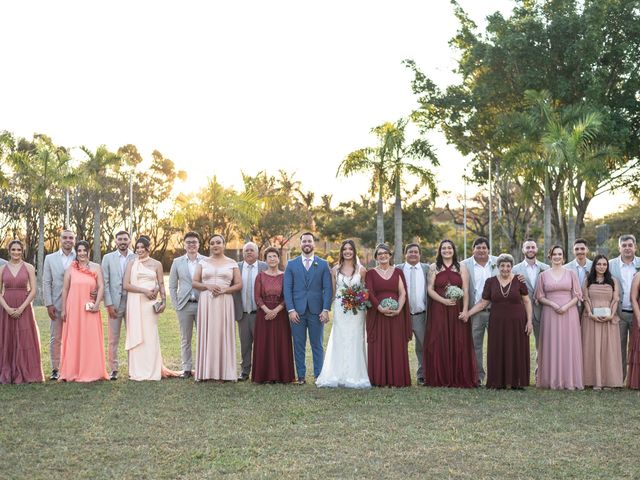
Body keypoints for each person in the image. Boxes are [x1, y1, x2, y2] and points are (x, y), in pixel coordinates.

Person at [461, 254, 532, 389]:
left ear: (512, 267)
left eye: (508, 266)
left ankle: (516, 382)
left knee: (516, 348)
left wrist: (529, 321)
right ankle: (498, 381)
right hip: (497, 322)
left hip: (517, 321)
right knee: (497, 349)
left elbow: (527, 301)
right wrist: (468, 314)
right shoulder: (491, 282)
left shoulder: (519, 280)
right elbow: (483, 303)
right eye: (502, 266)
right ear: (498, 267)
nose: (505, 269)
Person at [317, 239, 370, 388]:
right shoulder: (334, 270)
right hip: (341, 310)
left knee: (355, 339)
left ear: (354, 251)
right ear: (341, 252)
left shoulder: (362, 270)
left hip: (357, 311)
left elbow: (365, 292)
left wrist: (358, 300)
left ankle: (355, 374)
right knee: (340, 338)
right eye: (345, 249)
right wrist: (326, 309)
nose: (347, 251)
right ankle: (338, 374)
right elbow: (333, 293)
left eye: (350, 249)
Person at [423, 239, 477, 388]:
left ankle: (457, 376)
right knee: (439, 339)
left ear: (454, 250)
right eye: (444, 248)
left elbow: (466, 290)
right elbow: (430, 289)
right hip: (439, 309)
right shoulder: (434, 267)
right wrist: (443, 301)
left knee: (458, 339)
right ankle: (439, 376)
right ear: (440, 251)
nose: (447, 250)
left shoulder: (461, 267)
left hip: (456, 309)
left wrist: (465, 310)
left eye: (449, 248)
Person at [123, 236, 176, 381]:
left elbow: (161, 283)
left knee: (150, 336)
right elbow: (126, 285)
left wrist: (163, 300)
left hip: (150, 305)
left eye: (142, 247)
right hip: (136, 303)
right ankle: (138, 370)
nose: (139, 250)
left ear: (148, 248)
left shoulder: (157, 264)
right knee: (137, 334)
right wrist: (144, 291)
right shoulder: (131, 264)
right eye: (137, 247)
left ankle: (152, 370)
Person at [283, 232, 332, 384]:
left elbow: (328, 288)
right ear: (300, 244)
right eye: (304, 241)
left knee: (317, 344)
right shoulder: (291, 264)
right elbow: (287, 289)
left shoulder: (323, 264)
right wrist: (290, 310)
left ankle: (319, 376)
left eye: (309, 241)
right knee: (298, 344)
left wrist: (325, 309)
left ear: (313, 244)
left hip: (316, 311)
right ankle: (301, 376)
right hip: (297, 311)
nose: (307, 244)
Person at [192, 234, 242, 381]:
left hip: (225, 301)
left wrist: (224, 290)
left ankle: (225, 372)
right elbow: (195, 282)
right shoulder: (202, 262)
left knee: (223, 332)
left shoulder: (232, 262)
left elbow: (239, 284)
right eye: (212, 243)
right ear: (209, 246)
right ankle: (205, 372)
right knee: (207, 332)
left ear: (224, 244)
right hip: (206, 301)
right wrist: (207, 285)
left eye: (218, 242)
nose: (215, 245)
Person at [59, 240, 108, 382]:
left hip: (90, 308)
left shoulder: (96, 267)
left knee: (90, 337)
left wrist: (97, 304)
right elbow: (65, 289)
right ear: (76, 252)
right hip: (73, 307)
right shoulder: (71, 268)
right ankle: (73, 370)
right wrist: (63, 309)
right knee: (74, 337)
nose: (81, 253)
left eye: (84, 250)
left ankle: (93, 370)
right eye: (79, 251)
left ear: (88, 252)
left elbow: (101, 287)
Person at [535, 245, 583, 390]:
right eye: (554, 254)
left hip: (569, 313)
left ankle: (569, 379)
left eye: (560, 254)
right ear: (550, 257)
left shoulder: (571, 273)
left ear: (564, 257)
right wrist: (553, 305)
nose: (557, 257)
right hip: (550, 313)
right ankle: (552, 379)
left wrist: (566, 306)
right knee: (551, 343)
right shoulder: (543, 275)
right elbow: (539, 296)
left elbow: (577, 295)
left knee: (568, 344)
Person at [0, 240, 43, 384]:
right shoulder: (2, 269)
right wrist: (7, 308)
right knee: (7, 337)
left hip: (24, 308)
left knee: (25, 338)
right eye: (13, 250)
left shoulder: (29, 267)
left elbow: (33, 291)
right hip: (6, 308)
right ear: (9, 250)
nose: (16, 252)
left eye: (19, 250)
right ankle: (7, 371)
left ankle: (26, 370)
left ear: (22, 251)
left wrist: (22, 307)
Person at [251, 247, 295, 384]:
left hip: (280, 314)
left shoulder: (285, 276)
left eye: (274, 256)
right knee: (264, 343)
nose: (272, 259)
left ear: (278, 258)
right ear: (265, 260)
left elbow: (288, 296)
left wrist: (276, 310)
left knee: (281, 343)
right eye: (269, 257)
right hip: (263, 315)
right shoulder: (260, 276)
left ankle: (282, 375)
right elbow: (257, 297)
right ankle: (264, 375)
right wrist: (267, 310)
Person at [581, 255, 623, 389]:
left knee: (607, 349)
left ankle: (607, 380)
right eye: (599, 264)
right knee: (591, 348)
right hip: (591, 318)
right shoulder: (588, 280)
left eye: (604, 264)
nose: (602, 267)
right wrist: (590, 313)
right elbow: (585, 299)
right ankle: (592, 380)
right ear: (594, 265)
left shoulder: (613, 281)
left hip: (608, 319)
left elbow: (615, 299)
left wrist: (611, 314)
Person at [461, 237, 498, 385]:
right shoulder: (464, 265)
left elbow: (510, 274)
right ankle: (478, 376)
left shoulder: (497, 262)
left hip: (496, 311)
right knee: (475, 345)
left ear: (488, 249)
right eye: (478, 247)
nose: (481, 250)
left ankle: (495, 376)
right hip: (475, 312)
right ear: (473, 249)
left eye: (484, 247)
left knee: (496, 345)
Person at [169, 231, 206, 379]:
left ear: (198, 244)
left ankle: (202, 367)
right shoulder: (177, 262)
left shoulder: (205, 261)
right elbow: (172, 286)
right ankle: (186, 368)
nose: (191, 245)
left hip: (202, 304)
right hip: (184, 305)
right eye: (188, 242)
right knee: (185, 338)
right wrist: (176, 304)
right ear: (184, 245)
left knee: (202, 337)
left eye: (194, 242)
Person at [43, 229, 76, 380]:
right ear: (60, 239)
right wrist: (48, 304)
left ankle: (74, 367)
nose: (68, 240)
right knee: (55, 338)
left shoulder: (80, 256)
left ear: (74, 240)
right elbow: (46, 282)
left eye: (71, 238)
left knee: (76, 336)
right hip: (56, 304)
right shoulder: (50, 258)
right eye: (65, 237)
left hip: (77, 303)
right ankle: (56, 369)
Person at [101, 230, 135, 380]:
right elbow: (105, 282)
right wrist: (108, 303)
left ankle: (133, 368)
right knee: (113, 338)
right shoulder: (108, 258)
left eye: (125, 239)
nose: (122, 241)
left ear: (129, 241)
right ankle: (114, 369)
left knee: (132, 336)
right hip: (114, 303)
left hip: (133, 302)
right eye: (119, 239)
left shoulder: (136, 257)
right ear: (115, 241)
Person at [233, 242, 267, 381]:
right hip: (243, 314)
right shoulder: (236, 267)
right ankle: (245, 371)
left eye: (251, 250)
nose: (249, 252)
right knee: (245, 344)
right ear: (243, 253)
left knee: (262, 344)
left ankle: (261, 371)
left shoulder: (264, 267)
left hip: (260, 313)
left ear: (257, 253)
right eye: (246, 250)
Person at [608, 234, 640, 380]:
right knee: (618, 347)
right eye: (624, 245)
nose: (627, 248)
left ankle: (636, 378)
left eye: (630, 245)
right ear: (619, 247)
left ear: (635, 247)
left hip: (637, 312)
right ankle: (619, 378)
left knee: (637, 347)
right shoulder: (610, 264)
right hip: (618, 313)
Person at [396, 243, 428, 385]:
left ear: (420, 254)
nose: (413, 254)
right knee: (399, 345)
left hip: (421, 315)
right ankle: (399, 374)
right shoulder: (398, 269)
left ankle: (423, 374)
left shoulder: (427, 269)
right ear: (405, 254)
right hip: (402, 314)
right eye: (410, 252)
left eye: (416, 252)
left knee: (423, 345)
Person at [512, 239, 549, 350]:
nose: (530, 250)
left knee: (542, 342)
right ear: (523, 250)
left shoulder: (546, 268)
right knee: (520, 341)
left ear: (536, 249)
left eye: (533, 247)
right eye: (527, 247)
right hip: (522, 310)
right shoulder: (515, 269)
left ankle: (540, 366)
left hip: (541, 309)